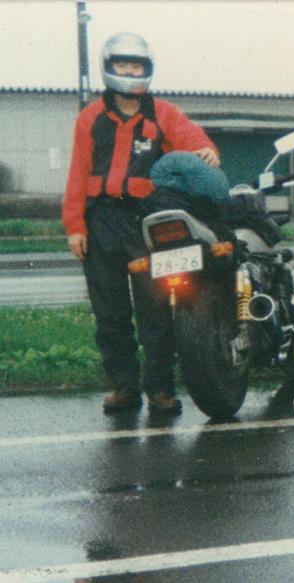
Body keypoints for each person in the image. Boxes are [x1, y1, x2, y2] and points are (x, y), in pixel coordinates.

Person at [62, 32, 221, 416]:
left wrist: (207, 152)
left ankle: (159, 389)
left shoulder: (163, 113)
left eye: (137, 65)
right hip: (100, 222)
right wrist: (74, 225)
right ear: (109, 67)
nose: (130, 72)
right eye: (123, 65)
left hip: (145, 223)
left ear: (147, 70)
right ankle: (124, 386)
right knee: (109, 312)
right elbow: (77, 172)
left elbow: (195, 142)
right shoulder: (90, 117)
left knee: (155, 309)